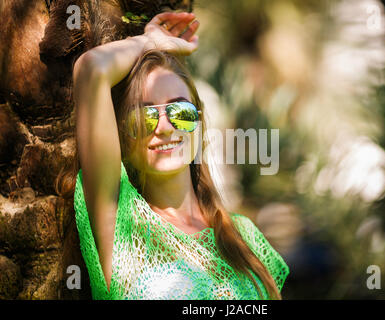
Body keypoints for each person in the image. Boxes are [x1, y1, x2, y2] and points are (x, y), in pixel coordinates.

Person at [67, 11, 289, 299]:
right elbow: (91, 69)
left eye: (181, 113)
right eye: (143, 119)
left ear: (198, 123)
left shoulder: (244, 235)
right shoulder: (120, 221)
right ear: (122, 138)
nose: (164, 128)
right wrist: (150, 42)